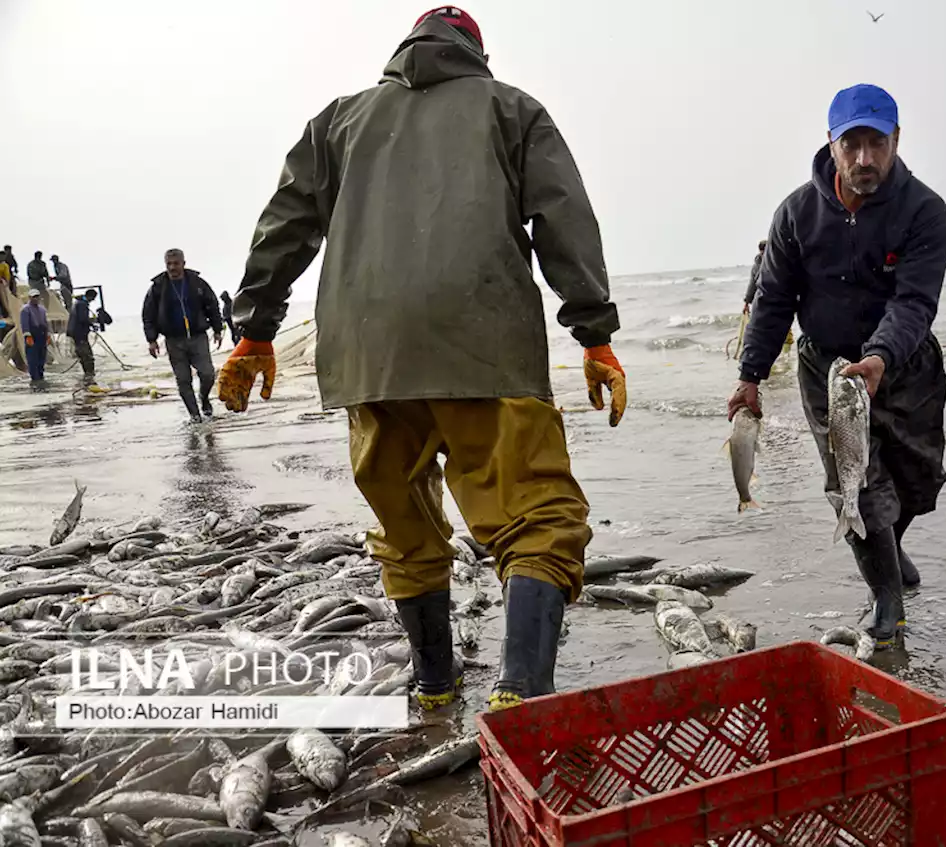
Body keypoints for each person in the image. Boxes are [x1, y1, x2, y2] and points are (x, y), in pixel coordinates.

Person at [218, 7, 624, 713]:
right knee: (539, 516)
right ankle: (521, 694)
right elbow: (565, 220)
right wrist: (594, 333)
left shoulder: (339, 122)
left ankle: (434, 685)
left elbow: (283, 225)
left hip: (367, 354)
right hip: (484, 344)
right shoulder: (511, 109)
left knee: (403, 524)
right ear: (477, 53)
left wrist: (253, 329)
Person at [728, 84, 946, 650]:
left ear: (897, 140)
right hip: (827, 367)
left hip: (903, 362)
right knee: (855, 481)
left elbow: (914, 302)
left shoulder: (925, 211)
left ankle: (888, 543)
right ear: (831, 143)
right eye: (852, 144)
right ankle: (886, 599)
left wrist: (879, 356)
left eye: (877, 143)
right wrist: (750, 377)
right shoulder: (796, 214)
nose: (865, 159)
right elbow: (774, 300)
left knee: (916, 480)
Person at [142, 249, 224, 422]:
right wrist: (151, 340)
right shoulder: (158, 287)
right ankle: (195, 417)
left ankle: (204, 398)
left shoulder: (197, 282)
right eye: (169, 264)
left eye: (176, 263)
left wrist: (217, 329)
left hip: (198, 337)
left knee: (208, 373)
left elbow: (212, 305)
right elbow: (148, 315)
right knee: (183, 380)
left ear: (183, 263)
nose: (172, 268)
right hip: (173, 340)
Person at [68, 289, 111, 382]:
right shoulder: (82, 304)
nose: (92, 300)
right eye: (93, 298)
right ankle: (89, 376)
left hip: (76, 334)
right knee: (87, 356)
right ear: (91, 296)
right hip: (80, 334)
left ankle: (87, 376)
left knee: (83, 355)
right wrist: (92, 325)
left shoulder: (78, 303)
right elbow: (83, 319)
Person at [20, 289, 50, 388]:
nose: (36, 299)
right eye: (33, 297)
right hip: (33, 334)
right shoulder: (25, 309)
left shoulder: (42, 309)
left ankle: (41, 376)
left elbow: (46, 322)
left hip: (42, 334)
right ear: (29, 298)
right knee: (33, 358)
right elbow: (24, 324)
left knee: (42, 357)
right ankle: (35, 379)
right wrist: (27, 335)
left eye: (37, 296)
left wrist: (48, 334)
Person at [743, 240, 766, 314]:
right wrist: (746, 303)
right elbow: (752, 285)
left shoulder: (777, 263)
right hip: (762, 301)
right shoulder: (756, 267)